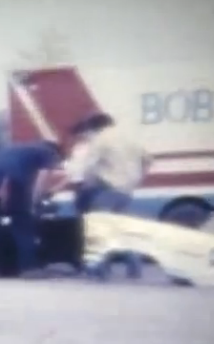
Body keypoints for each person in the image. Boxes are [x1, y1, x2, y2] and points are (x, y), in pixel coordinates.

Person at [51, 112, 152, 279]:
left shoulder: (100, 140)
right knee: (120, 228)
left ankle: (99, 270)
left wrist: (88, 185)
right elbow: (148, 160)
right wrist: (138, 178)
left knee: (99, 228)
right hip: (126, 191)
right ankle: (134, 266)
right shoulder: (129, 138)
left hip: (106, 189)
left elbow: (89, 167)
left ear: (94, 128)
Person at [0, 140, 64, 277]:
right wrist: (35, 200)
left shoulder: (16, 149)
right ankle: (29, 268)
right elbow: (41, 178)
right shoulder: (47, 152)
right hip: (8, 178)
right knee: (22, 222)